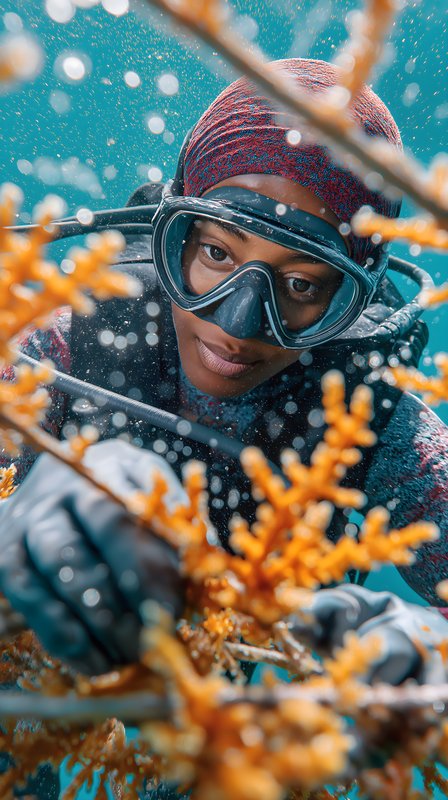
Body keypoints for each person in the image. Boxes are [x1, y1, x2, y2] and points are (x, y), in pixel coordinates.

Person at [0, 58, 447, 799]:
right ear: (171, 238)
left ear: (353, 302)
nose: (239, 325)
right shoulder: (66, 342)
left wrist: (434, 652)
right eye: (216, 253)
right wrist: (14, 516)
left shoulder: (375, 424)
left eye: (300, 285)